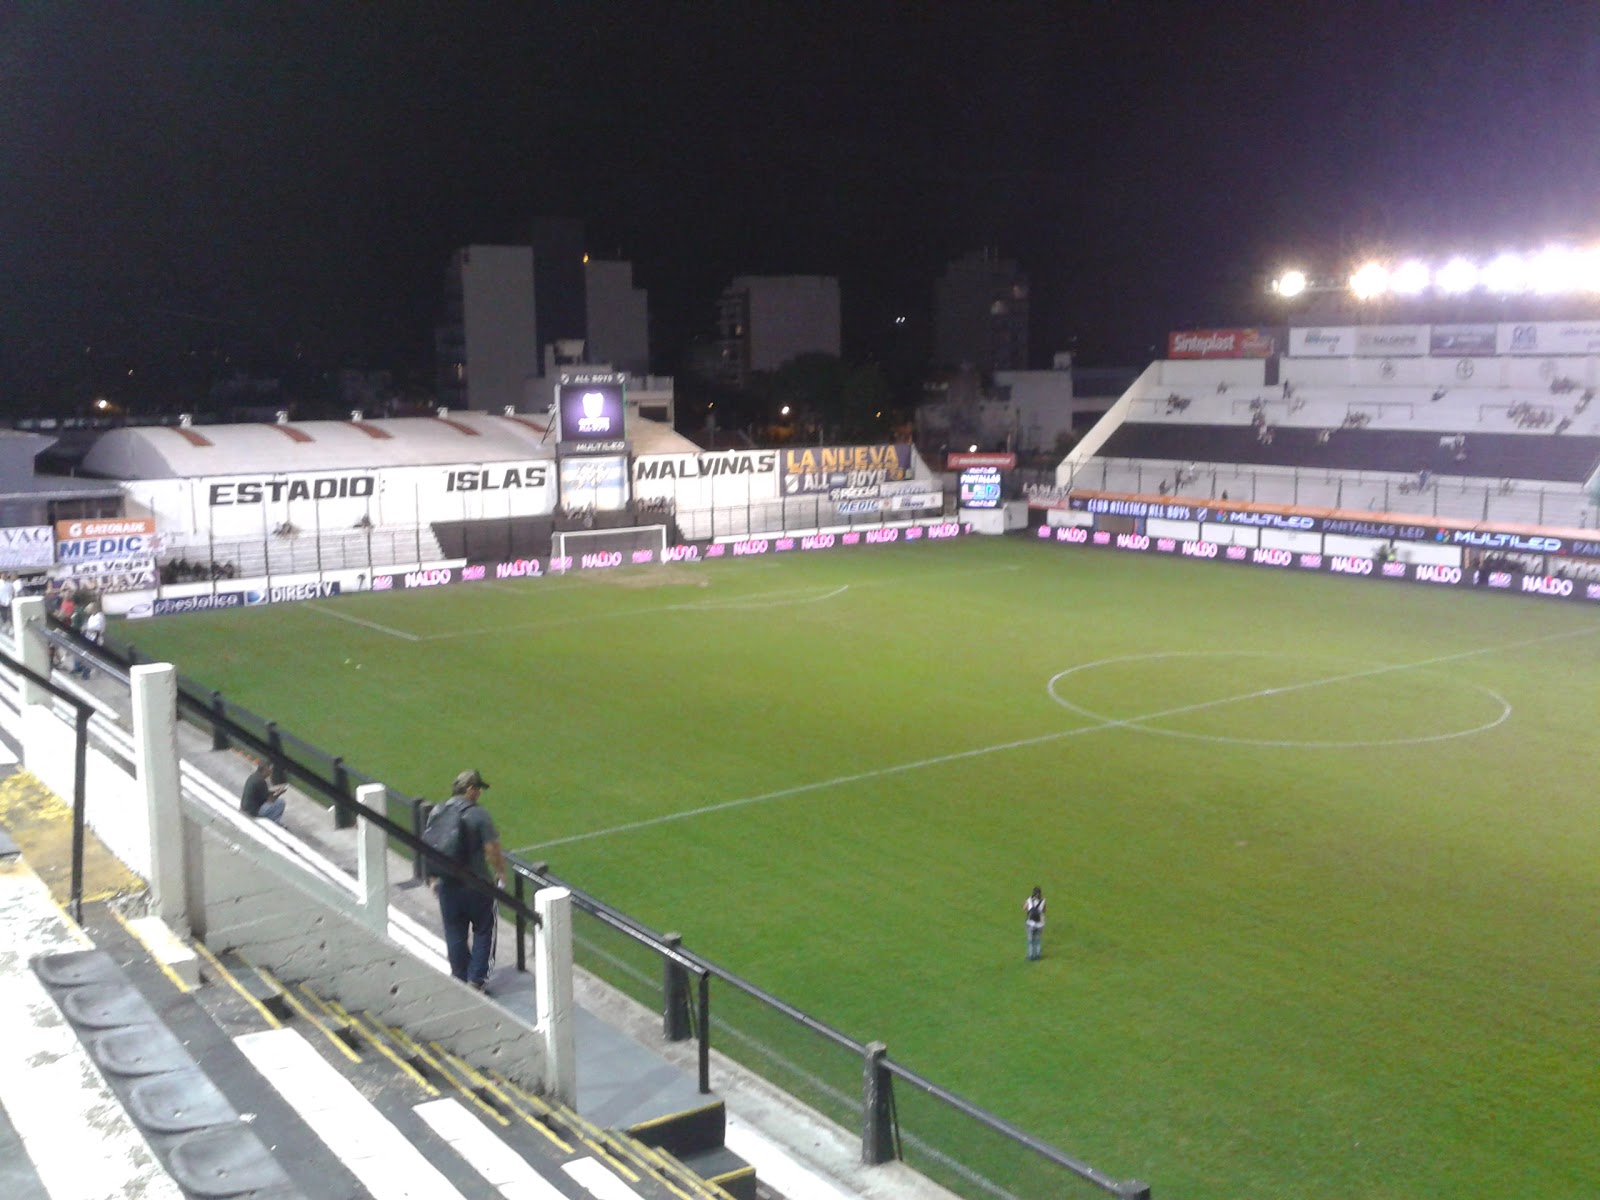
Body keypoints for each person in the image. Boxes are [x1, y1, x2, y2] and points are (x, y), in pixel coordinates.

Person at [434, 769, 506, 991]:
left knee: (454, 931)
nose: (479, 793)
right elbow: (492, 849)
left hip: (447, 884)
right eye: (478, 789)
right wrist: (501, 874)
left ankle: (459, 976)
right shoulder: (479, 815)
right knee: (484, 930)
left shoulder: (438, 811)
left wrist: (434, 876)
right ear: (470, 790)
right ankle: (476, 979)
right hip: (477, 884)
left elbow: (431, 845)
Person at [240, 756, 287, 824]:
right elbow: (269, 800)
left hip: (244, 808)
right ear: (265, 769)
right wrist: (280, 792)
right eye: (270, 769)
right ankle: (274, 822)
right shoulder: (261, 781)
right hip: (252, 812)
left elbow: (263, 793)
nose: (271, 771)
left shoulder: (253, 777)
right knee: (280, 803)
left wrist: (274, 791)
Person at [75, 602, 106, 679]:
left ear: (93, 609)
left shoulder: (99, 616)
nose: (87, 610)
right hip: (89, 638)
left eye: (88, 608)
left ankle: (86, 673)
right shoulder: (91, 616)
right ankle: (82, 670)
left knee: (90, 655)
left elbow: (97, 628)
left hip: (95, 639)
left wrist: (86, 629)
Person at [1024, 886, 1046, 961]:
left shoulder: (1029, 900)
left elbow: (1024, 908)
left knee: (1030, 941)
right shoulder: (1043, 901)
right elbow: (1044, 911)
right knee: (1038, 940)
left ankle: (1030, 956)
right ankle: (1038, 956)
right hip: (1040, 924)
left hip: (1030, 923)